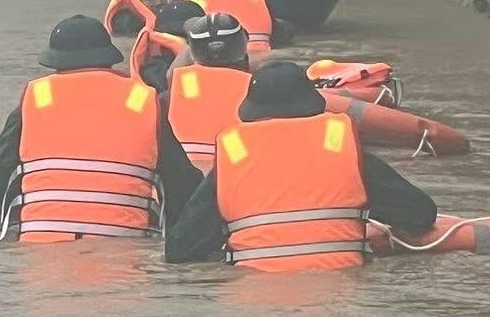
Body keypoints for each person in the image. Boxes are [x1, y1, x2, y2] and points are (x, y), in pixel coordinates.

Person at [166, 61, 436, 270]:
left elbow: (180, 250)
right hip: (339, 295)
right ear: (311, 105)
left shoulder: (235, 154)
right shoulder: (340, 144)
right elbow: (420, 214)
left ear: (252, 112)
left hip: (254, 300)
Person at [0, 15, 203, 243]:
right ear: (108, 58)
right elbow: (183, 184)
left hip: (41, 248)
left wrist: (7, 215)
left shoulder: (36, 98)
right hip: (124, 246)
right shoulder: (144, 100)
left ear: (55, 61)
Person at [165, 13, 252, 172]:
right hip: (231, 165)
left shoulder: (180, 81)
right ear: (242, 44)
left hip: (182, 168)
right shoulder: (252, 84)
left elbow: (171, 74)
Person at [130, 0, 203, 92]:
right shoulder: (154, 71)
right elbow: (170, 95)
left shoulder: (220, 57)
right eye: (178, 35)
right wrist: (187, 54)